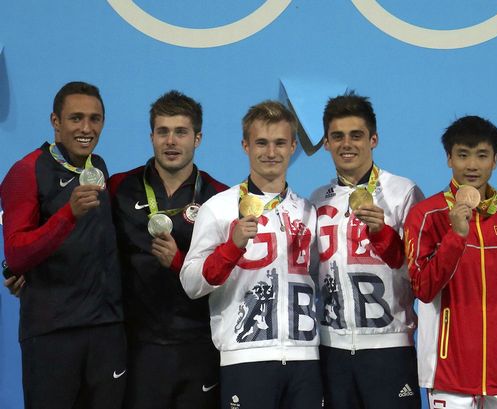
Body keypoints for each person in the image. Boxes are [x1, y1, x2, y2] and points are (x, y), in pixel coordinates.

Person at [180, 100, 321, 409]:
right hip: (245, 357)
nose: (271, 152)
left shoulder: (308, 211)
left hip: (305, 357)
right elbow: (191, 282)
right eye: (261, 143)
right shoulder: (218, 208)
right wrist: (231, 248)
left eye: (280, 143)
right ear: (245, 145)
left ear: (293, 146)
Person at [0, 81, 125, 409]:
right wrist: (68, 214)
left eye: (95, 119)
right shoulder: (26, 171)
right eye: (76, 118)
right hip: (53, 332)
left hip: (106, 329)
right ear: (55, 122)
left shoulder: (97, 167)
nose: (86, 128)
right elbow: (15, 253)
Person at [404, 116, 497, 409]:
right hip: (447, 375)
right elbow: (423, 289)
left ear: (495, 160)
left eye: (481, 155)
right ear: (449, 159)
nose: (472, 165)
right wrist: (456, 236)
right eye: (462, 155)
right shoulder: (426, 215)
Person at [108, 91, 227, 409]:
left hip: (200, 343)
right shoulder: (119, 187)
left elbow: (228, 272)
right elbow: (85, 241)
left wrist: (179, 260)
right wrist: (22, 268)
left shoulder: (220, 197)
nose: (171, 141)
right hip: (139, 345)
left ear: (198, 138)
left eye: (181, 132)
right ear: (151, 137)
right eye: (163, 131)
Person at [310, 92, 423, 409]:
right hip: (332, 349)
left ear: (373, 139)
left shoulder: (403, 192)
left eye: (356, 135)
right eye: (338, 136)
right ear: (327, 144)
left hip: (389, 346)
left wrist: (383, 234)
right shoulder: (318, 199)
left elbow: (419, 273)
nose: (347, 144)